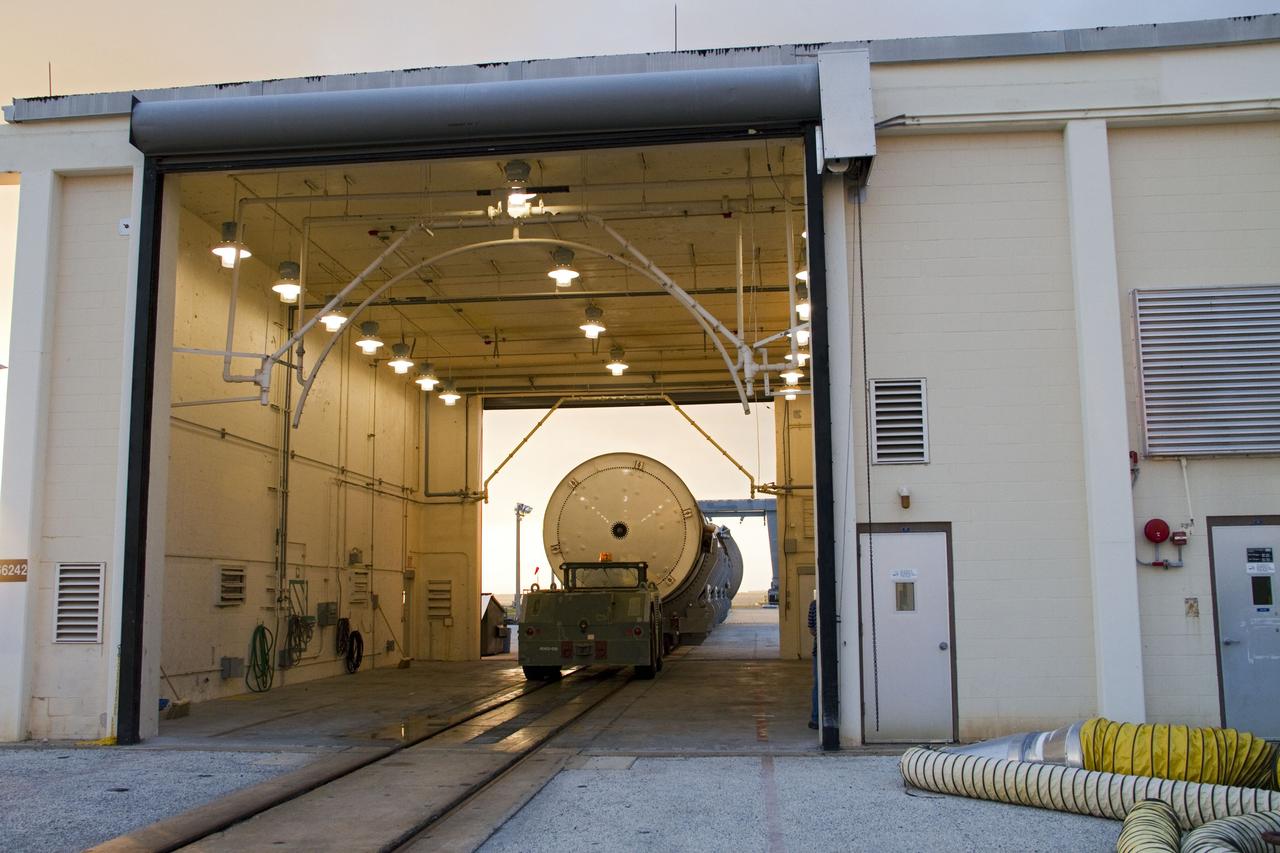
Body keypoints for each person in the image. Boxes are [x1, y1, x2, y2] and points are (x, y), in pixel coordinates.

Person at [808, 597, 818, 730]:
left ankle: (815, 718)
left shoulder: (814, 605)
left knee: (817, 685)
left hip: (818, 650)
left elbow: (811, 629)